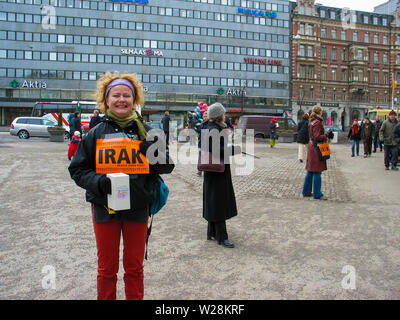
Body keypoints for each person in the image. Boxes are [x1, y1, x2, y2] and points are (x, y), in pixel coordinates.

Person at [68, 71, 174, 300]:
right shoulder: (95, 133)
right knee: (107, 270)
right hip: (105, 209)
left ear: (134, 100)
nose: (121, 99)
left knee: (134, 269)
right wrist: (99, 182)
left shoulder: (149, 132)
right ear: (106, 100)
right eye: (115, 95)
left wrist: (152, 153)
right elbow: (77, 169)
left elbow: (167, 167)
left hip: (137, 208)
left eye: (127, 95)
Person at [202, 103, 241, 248]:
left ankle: (211, 232)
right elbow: (218, 150)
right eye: (223, 113)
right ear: (219, 115)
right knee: (218, 201)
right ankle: (221, 236)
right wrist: (234, 150)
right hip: (216, 170)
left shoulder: (214, 128)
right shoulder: (213, 129)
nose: (225, 115)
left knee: (214, 200)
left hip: (215, 170)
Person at [302, 106, 329, 200]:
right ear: (320, 112)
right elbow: (317, 137)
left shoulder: (312, 121)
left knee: (310, 170)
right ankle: (317, 194)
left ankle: (306, 191)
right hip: (317, 148)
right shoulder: (318, 122)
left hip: (311, 146)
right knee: (317, 171)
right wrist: (326, 135)